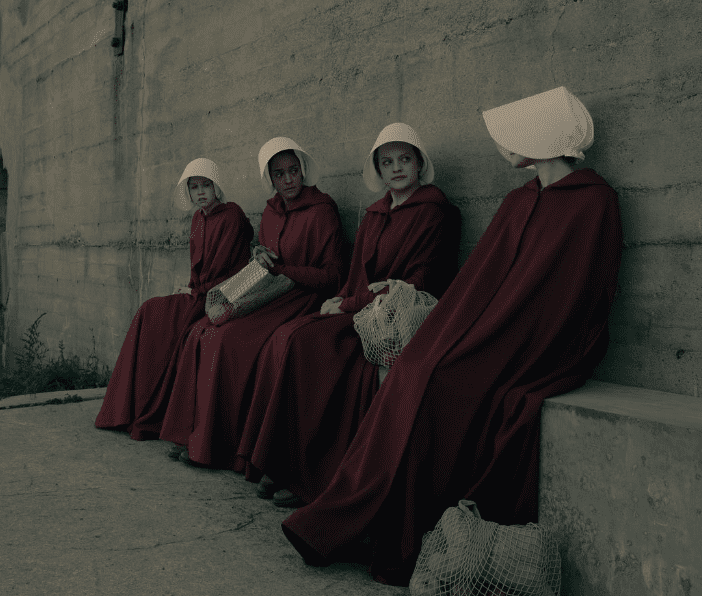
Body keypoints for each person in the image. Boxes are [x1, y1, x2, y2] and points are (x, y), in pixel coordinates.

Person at [281, 87, 623, 585]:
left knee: (443, 384)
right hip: (485, 330)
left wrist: (506, 338)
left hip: (539, 342)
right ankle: (353, 515)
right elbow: (478, 283)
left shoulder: (594, 202)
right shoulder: (518, 199)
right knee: (416, 368)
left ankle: (399, 536)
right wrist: (448, 332)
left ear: (547, 137)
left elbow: (581, 293)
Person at [237, 123, 462, 508]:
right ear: (377, 168)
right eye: (386, 161)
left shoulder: (435, 211)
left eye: (405, 159)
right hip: (362, 307)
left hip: (397, 315)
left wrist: (348, 304)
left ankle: (312, 475)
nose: (396, 168)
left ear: (419, 163)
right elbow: (358, 272)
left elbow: (422, 279)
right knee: (296, 335)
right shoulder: (375, 213)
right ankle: (287, 462)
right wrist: (341, 298)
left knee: (313, 346)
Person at [160, 138, 344, 469]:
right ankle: (191, 434)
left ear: (302, 171)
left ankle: (217, 446)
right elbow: (264, 251)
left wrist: (282, 269)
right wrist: (259, 253)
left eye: (293, 171)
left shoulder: (323, 210)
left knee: (227, 340)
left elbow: (332, 276)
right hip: (267, 292)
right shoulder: (272, 211)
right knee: (203, 330)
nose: (288, 180)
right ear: (269, 178)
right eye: (279, 174)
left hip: (302, 298)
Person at [95, 158, 254, 440]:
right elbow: (196, 265)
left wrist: (198, 292)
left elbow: (225, 268)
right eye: (194, 187)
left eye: (206, 185)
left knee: (173, 327)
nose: (201, 192)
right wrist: (191, 288)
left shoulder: (232, 215)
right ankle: (126, 410)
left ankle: (152, 411)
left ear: (217, 186)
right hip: (198, 292)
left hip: (223, 295)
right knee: (149, 310)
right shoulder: (197, 219)